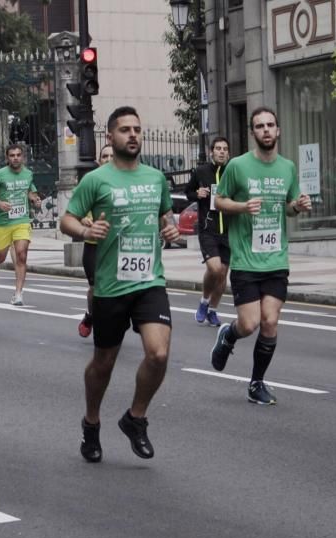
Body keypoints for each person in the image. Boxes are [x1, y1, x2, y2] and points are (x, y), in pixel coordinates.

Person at [60, 106, 179, 463]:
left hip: (149, 281)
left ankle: (135, 418)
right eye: (125, 129)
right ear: (110, 136)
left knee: (158, 354)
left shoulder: (156, 178)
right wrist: (85, 230)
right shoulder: (96, 180)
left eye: (137, 129)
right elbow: (67, 219)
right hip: (111, 285)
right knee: (104, 363)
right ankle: (91, 422)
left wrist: (170, 229)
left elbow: (165, 217)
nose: (133, 135)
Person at [209, 107, 312, 405]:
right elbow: (219, 200)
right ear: (252, 132)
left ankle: (256, 383)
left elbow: (289, 207)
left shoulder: (288, 168)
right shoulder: (238, 167)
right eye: (259, 126)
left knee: (270, 321)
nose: (265, 130)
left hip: (276, 259)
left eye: (270, 125)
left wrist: (299, 205)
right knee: (249, 324)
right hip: (245, 259)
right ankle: (229, 335)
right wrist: (242, 207)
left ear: (278, 131)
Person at [0, 143, 41, 305]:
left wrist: (35, 200)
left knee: (21, 254)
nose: (15, 158)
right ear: (7, 158)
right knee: (1, 255)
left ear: (23, 157)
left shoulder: (28, 174)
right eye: (12, 155)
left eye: (18, 155)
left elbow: (31, 192)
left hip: (22, 220)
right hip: (3, 222)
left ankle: (18, 294)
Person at [186, 136, 231, 326]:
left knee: (222, 275)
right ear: (211, 151)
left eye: (225, 149)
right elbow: (188, 192)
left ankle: (213, 310)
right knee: (214, 268)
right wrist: (197, 194)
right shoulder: (201, 171)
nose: (221, 151)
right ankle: (204, 301)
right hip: (208, 229)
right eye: (218, 148)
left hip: (229, 231)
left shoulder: (232, 172)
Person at [78, 144, 115, 337]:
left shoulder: (124, 182)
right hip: (94, 247)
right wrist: (84, 218)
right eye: (105, 156)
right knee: (95, 287)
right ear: (99, 161)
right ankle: (91, 315)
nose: (108, 159)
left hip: (117, 247)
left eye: (112, 156)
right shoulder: (90, 182)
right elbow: (78, 209)